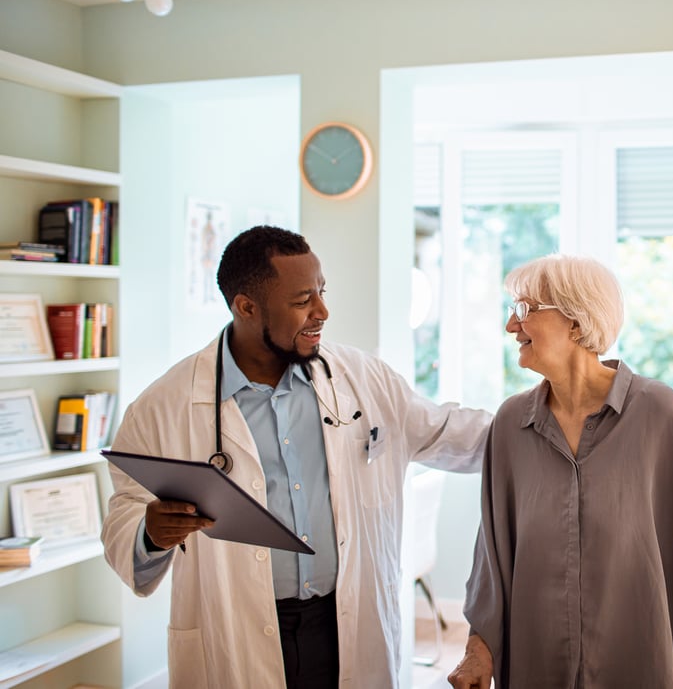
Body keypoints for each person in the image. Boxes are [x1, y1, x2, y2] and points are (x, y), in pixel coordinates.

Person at [101, 225, 491, 689]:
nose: (322, 311)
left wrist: (554, 415)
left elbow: (451, 430)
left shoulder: (361, 378)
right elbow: (123, 517)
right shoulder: (163, 406)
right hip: (234, 630)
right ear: (246, 307)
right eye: (303, 299)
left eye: (322, 292)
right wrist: (150, 531)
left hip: (345, 622)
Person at [447, 254, 673, 689]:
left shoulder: (660, 414)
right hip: (539, 665)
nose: (512, 326)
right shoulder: (511, 425)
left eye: (525, 310)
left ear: (575, 322)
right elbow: (492, 558)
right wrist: (478, 650)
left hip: (644, 663)